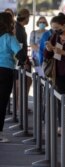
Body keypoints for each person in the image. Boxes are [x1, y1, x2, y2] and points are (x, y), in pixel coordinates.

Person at [0, 12, 22, 142]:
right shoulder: (9, 37)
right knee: (1, 103)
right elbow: (21, 54)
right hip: (5, 71)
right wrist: (23, 62)